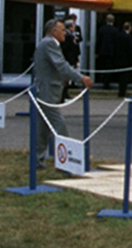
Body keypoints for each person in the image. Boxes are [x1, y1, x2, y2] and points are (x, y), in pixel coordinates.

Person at [33, 17, 92, 157]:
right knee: (58, 124)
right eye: (62, 30)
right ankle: (68, 157)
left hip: (48, 89)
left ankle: (37, 159)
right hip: (48, 90)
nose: (65, 33)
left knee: (43, 127)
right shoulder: (49, 44)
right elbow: (61, 65)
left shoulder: (50, 43)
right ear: (53, 31)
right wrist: (81, 78)